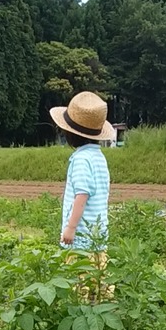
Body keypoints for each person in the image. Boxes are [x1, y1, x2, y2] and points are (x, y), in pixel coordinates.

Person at [49, 91, 113, 253]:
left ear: (70, 133)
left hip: (81, 238)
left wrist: (71, 228)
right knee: (97, 275)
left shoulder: (81, 159)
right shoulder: (98, 156)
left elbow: (82, 194)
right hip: (98, 236)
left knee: (77, 275)